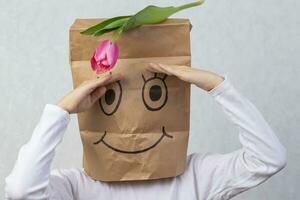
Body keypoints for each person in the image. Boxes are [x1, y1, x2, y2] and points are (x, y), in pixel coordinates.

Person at [5, 63, 287, 200]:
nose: (133, 126)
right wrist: (62, 110)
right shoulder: (78, 186)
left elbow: (268, 159)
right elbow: (21, 190)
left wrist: (217, 86)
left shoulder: (195, 176)